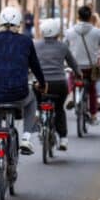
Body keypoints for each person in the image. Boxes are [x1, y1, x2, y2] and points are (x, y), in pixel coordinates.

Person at [0, 6, 46, 192]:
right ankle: (26, 137)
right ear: (19, 24)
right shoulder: (26, 41)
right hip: (18, 93)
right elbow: (35, 66)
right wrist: (42, 83)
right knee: (32, 100)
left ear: (0, 22)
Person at [34, 18, 80, 151]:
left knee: (38, 100)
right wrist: (78, 73)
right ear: (57, 32)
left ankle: (38, 114)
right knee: (59, 109)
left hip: (41, 84)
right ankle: (63, 139)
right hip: (59, 84)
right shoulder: (62, 46)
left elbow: (28, 62)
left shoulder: (35, 46)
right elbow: (72, 63)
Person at [65, 6, 100, 125]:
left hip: (76, 66)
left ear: (78, 16)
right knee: (92, 89)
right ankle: (93, 115)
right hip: (91, 67)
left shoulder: (69, 31)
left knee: (71, 74)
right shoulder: (97, 31)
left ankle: (71, 94)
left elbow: (64, 47)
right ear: (90, 17)